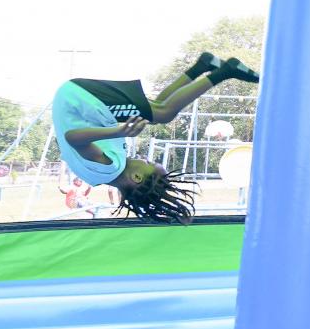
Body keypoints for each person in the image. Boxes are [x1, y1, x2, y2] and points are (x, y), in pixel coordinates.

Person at [52, 52, 259, 224]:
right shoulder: (96, 178)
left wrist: (118, 132)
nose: (145, 159)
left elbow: (74, 138)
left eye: (149, 163)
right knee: (158, 109)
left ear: (137, 177)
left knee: (164, 113)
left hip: (80, 101)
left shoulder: (110, 167)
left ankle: (225, 71)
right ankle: (201, 66)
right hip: (81, 104)